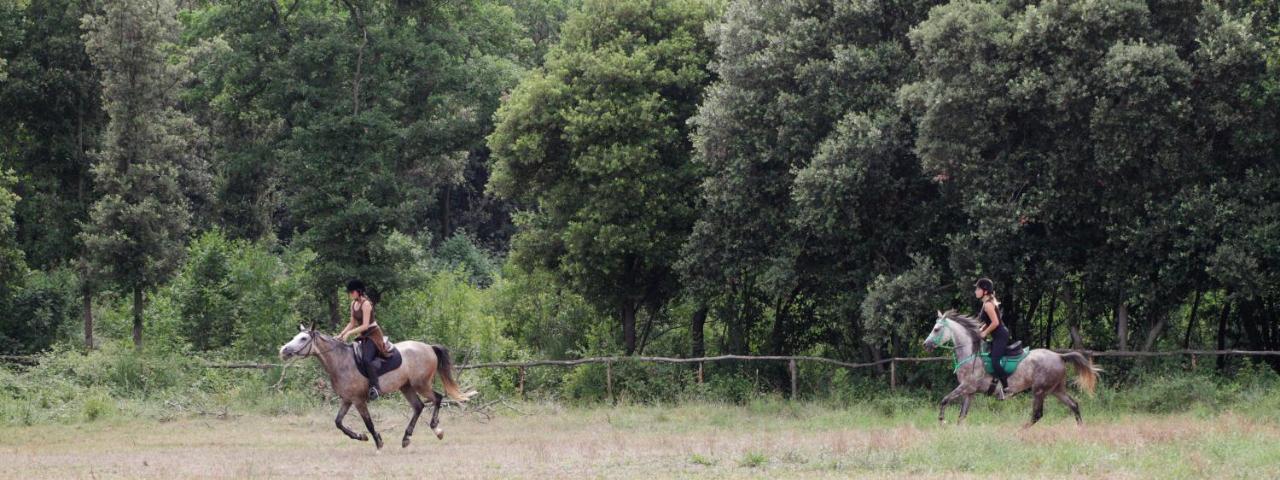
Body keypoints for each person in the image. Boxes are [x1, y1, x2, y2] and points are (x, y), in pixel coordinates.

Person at [337, 279, 389, 400]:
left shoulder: (366, 304)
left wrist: (349, 333)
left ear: (358, 291)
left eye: (352, 292)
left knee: (366, 359)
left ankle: (376, 388)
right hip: (363, 335)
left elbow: (365, 325)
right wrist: (341, 334)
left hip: (373, 334)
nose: (350, 294)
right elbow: (352, 323)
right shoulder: (353, 304)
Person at [975, 277, 1009, 400]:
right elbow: (988, 321)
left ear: (985, 291)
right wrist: (981, 330)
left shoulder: (988, 305)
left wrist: (984, 333)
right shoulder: (986, 303)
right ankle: (996, 385)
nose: (975, 291)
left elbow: (995, 323)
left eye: (977, 289)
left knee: (995, 361)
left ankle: (1006, 387)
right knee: (988, 360)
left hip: (1000, 335)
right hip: (997, 335)